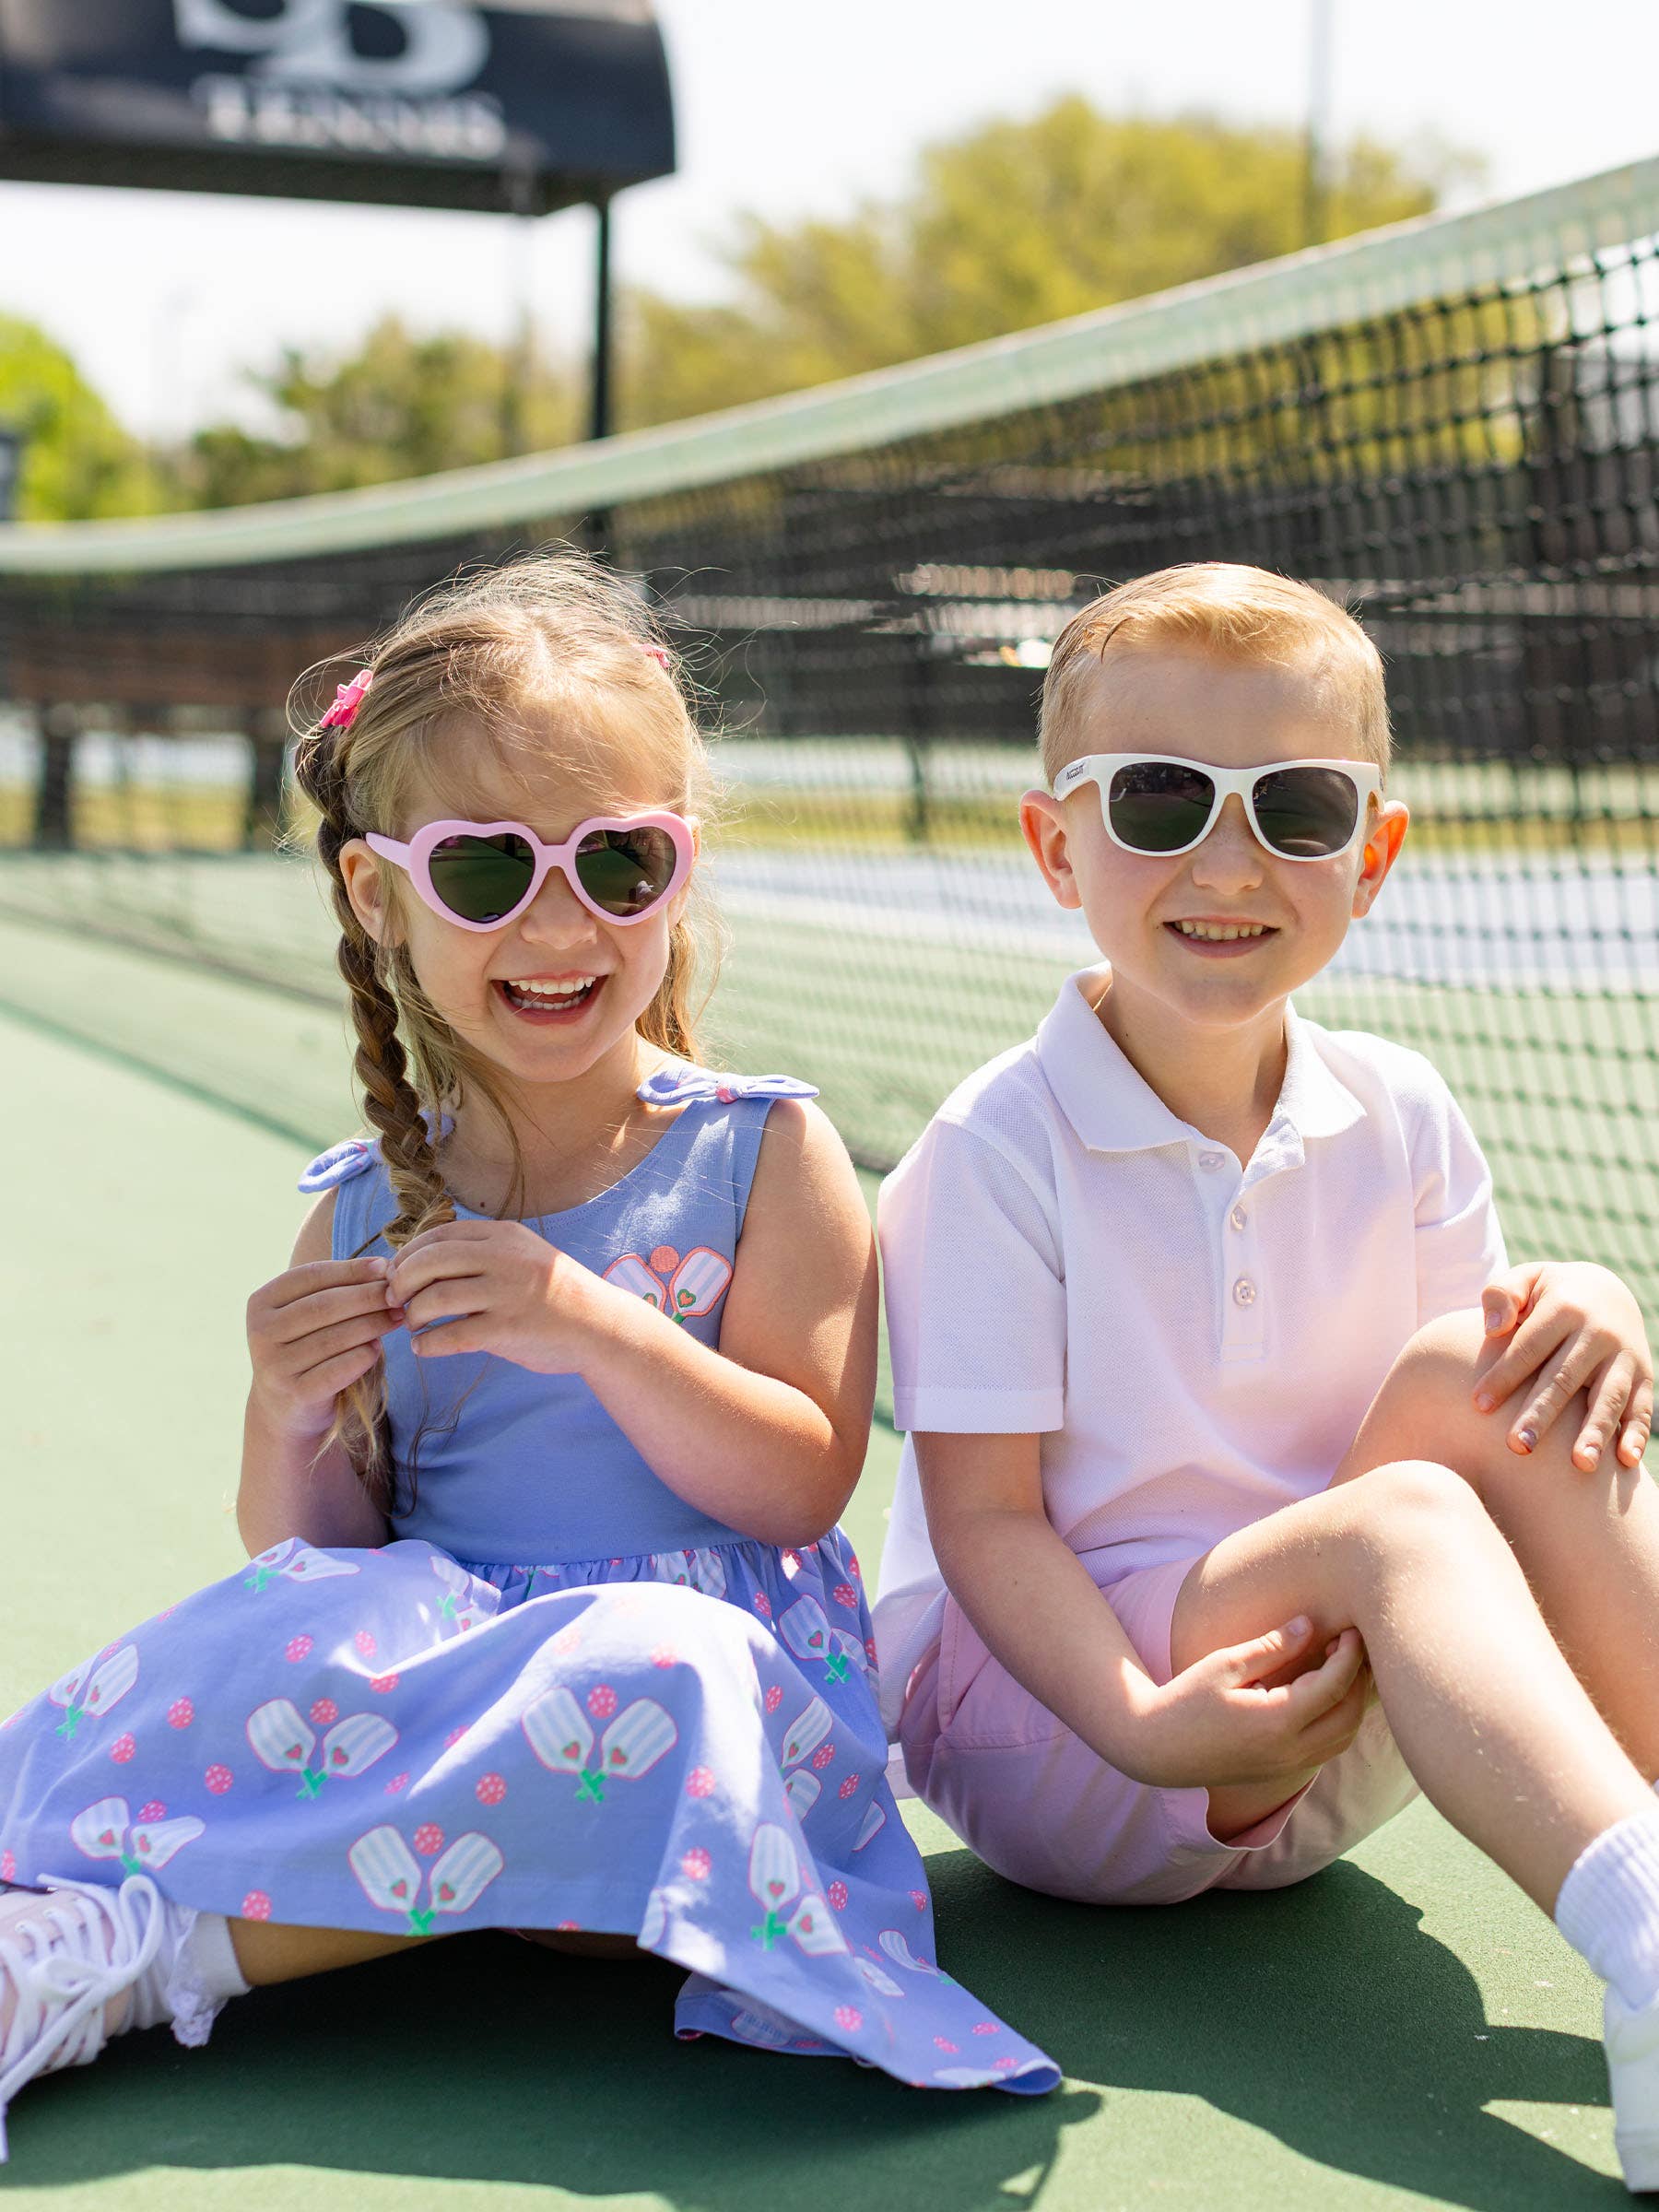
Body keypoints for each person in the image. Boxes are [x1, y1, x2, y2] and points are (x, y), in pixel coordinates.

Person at [0, 554, 1058, 2158]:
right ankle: (83, 1897)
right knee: (250, 1635)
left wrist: (594, 1328)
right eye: (490, 873)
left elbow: (795, 1486)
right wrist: (289, 1410)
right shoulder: (364, 1202)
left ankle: (138, 1962)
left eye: (616, 862)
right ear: (380, 897)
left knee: (650, 1658)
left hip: (691, 1739)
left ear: (677, 877)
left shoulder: (766, 1153)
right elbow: (313, 1563)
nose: (561, 923)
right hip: (459, 1704)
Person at [874, 561, 1659, 2192]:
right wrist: (1144, 1722)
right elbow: (988, 1529)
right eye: (1161, 801)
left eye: (1294, 808)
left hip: (1324, 1712)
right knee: (1406, 1528)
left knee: (1516, 1372)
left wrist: (1590, 1300)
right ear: (1056, 846)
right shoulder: (993, 1150)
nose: (1228, 861)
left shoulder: (1405, 1108)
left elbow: (1481, 1418)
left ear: (1369, 855)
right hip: (1066, 1726)